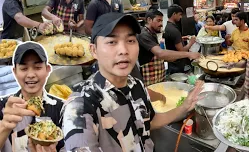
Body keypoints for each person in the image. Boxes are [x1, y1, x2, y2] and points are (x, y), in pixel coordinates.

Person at [62, 12, 204, 151]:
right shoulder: (80, 104)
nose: (123, 50)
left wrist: (184, 107)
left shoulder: (136, 85)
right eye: (112, 42)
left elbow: (150, 122)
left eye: (130, 41)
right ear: (94, 50)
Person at [0, 41, 64, 152]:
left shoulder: (62, 109)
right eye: (24, 69)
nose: (30, 75)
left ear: (48, 69)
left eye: (38, 67)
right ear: (14, 72)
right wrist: (4, 127)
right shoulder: (3, 106)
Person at [138, 10, 200, 86]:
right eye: (158, 20)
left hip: (157, 78)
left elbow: (154, 56)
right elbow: (160, 53)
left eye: (161, 21)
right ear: (149, 20)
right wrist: (189, 54)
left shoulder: (152, 34)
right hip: (150, 80)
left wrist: (170, 57)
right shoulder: (144, 35)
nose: (161, 24)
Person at [164, 4, 196, 74]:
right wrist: (191, 42)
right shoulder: (174, 30)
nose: (181, 17)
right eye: (180, 14)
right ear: (174, 14)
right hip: (177, 64)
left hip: (172, 62)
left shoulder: (168, 27)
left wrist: (181, 39)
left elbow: (172, 41)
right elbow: (182, 51)